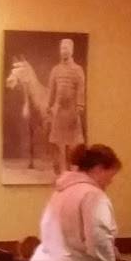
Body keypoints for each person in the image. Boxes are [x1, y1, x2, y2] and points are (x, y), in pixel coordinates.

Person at [27, 143, 121, 261]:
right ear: (99, 168)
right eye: (111, 174)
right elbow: (98, 240)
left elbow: (46, 227)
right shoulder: (93, 195)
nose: (111, 181)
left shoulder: (60, 191)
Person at [46, 38, 86, 174]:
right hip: (59, 110)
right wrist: (49, 104)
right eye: (62, 48)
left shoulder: (78, 70)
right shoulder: (55, 70)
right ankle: (61, 171)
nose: (64, 51)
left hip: (72, 110)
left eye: (66, 49)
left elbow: (81, 89)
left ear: (72, 50)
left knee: (72, 143)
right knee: (57, 142)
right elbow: (51, 89)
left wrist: (80, 105)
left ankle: (71, 171)